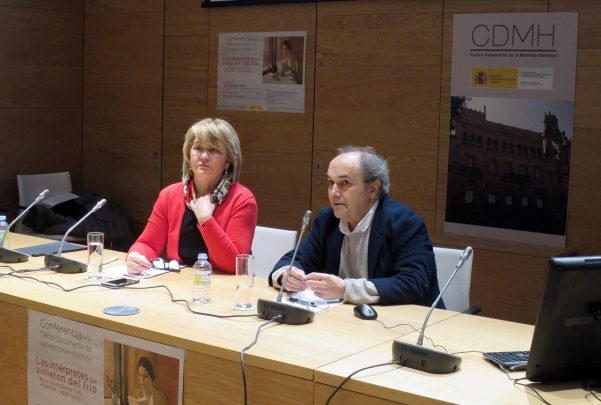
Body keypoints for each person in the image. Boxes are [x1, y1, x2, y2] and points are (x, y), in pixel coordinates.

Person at [268, 146, 442, 307]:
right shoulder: (327, 220)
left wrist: (346, 289)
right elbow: (296, 259)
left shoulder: (404, 223)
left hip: (409, 322)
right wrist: (286, 275)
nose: (333, 192)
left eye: (344, 183)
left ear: (373, 189)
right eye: (330, 182)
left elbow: (414, 283)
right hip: (348, 318)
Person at [126, 118, 258, 274]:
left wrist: (206, 221)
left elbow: (235, 265)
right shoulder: (169, 195)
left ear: (228, 161)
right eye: (198, 148)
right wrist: (135, 256)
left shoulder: (242, 200)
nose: (204, 156)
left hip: (223, 285)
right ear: (188, 156)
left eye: (213, 150)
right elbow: (147, 244)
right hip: (180, 282)